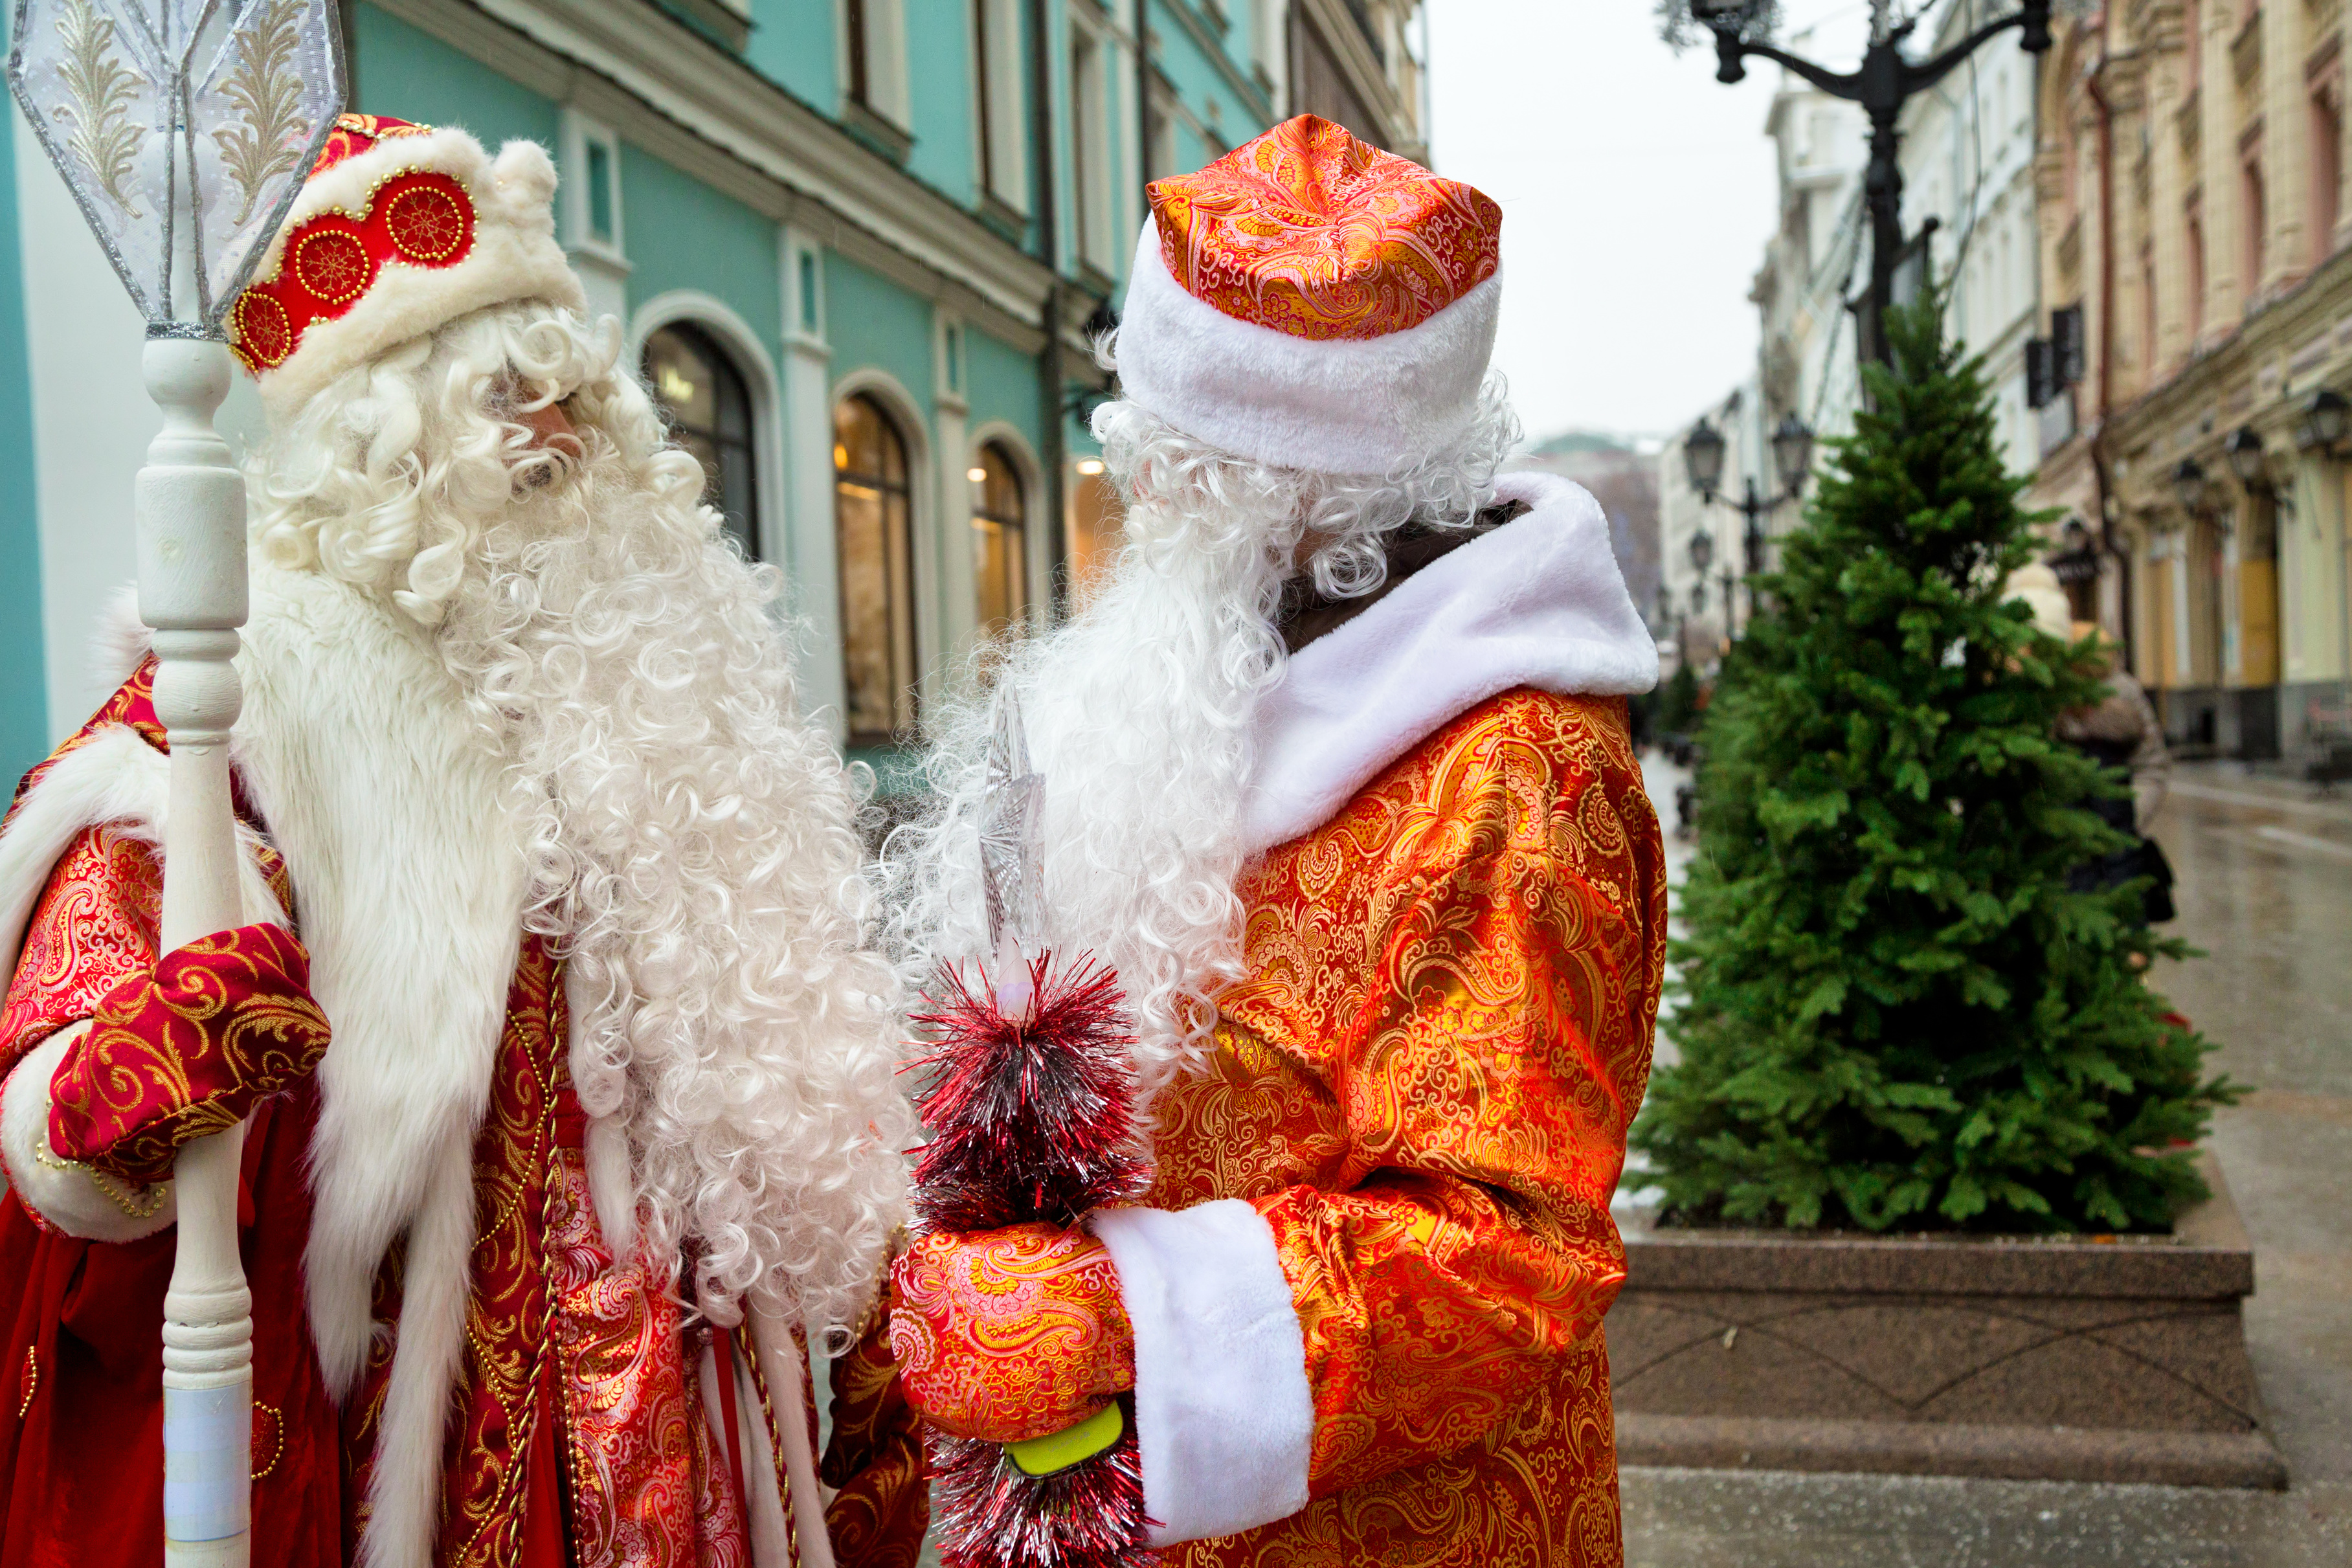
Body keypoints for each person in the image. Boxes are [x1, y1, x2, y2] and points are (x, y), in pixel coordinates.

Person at [0, 115, 924, 1568]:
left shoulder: (666, 692)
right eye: (505, 405)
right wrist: (129, 1067)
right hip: (438, 1440)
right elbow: (70, 1061)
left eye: (572, 403)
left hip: (686, 1408)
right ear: (379, 447)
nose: (557, 445)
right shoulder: (254, 699)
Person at [884, 116, 1665, 1566]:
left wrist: (1115, 1316)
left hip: (1396, 1525)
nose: (1138, 488)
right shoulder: (1187, 688)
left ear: (1269, 485)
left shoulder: (1512, 766)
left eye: (1164, 456)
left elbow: (1508, 1243)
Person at [2010, 563, 2173, 922]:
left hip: (2104, 862)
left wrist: (2120, 825)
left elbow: (2152, 767)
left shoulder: (2106, 680)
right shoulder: (2006, 690)